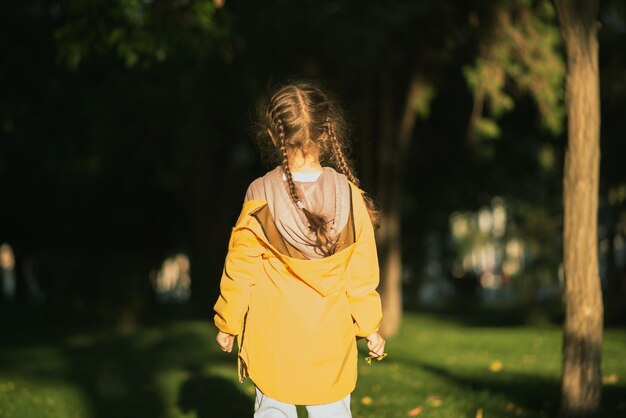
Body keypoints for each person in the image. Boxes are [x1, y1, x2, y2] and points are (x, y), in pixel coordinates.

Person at [213, 82, 385, 418]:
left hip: (273, 344)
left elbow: (241, 269)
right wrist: (369, 326)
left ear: (274, 136)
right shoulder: (349, 196)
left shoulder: (259, 194)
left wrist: (227, 322)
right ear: (326, 132)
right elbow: (361, 274)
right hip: (330, 346)